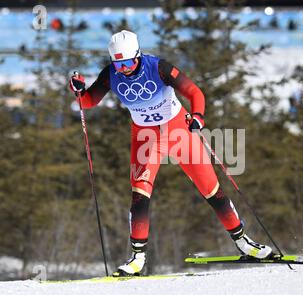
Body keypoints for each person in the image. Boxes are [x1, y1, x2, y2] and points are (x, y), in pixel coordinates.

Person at [69, 30, 272, 276]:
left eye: (128, 62)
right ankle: (137, 259)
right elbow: (88, 101)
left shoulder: (159, 67)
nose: (123, 69)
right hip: (147, 138)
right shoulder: (111, 75)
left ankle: (244, 243)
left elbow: (195, 92)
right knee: (140, 194)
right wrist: (78, 90)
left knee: (211, 190)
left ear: (138, 55)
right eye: (118, 64)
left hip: (178, 132)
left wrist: (198, 116)